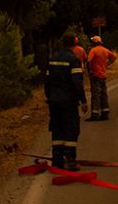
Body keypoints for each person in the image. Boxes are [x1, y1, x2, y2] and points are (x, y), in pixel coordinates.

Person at [46, 33, 88, 170]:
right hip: (68, 101)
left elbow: (47, 82)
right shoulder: (73, 60)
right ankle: (70, 160)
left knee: (57, 129)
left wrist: (50, 97)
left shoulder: (52, 59)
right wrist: (83, 100)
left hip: (54, 100)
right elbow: (77, 82)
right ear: (75, 44)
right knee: (70, 129)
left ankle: (57, 160)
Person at [86, 35, 118, 121]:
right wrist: (106, 65)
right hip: (103, 75)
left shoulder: (93, 50)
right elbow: (114, 57)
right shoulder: (105, 50)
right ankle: (105, 113)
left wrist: (90, 71)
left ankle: (95, 115)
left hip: (96, 75)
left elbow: (88, 61)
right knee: (104, 94)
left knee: (96, 94)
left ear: (94, 43)